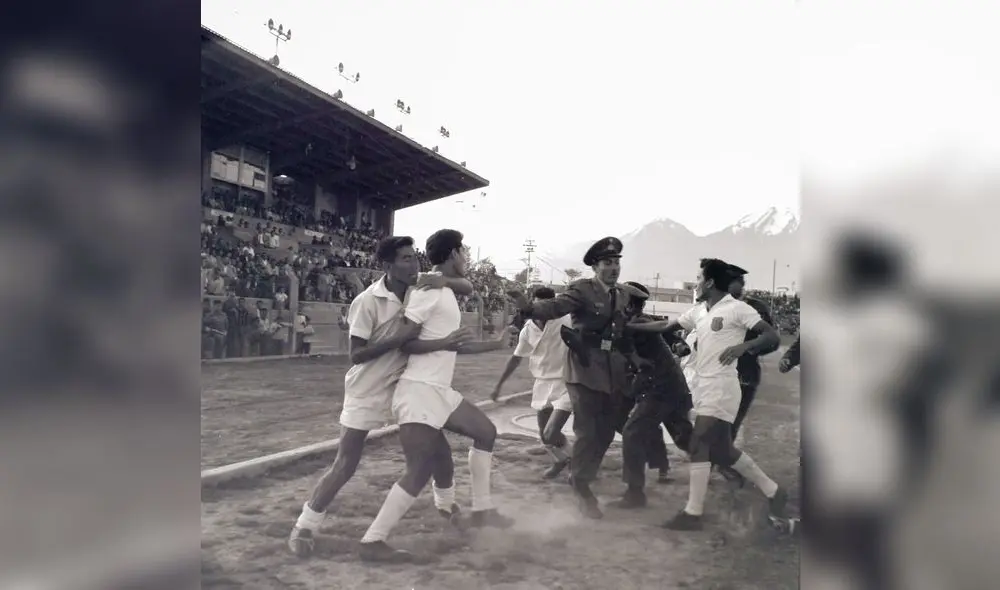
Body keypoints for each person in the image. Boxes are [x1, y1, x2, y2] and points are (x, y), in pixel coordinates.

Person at [288, 236, 476, 558]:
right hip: (368, 388)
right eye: (404, 259)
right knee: (346, 463)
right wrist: (400, 338)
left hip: (404, 387)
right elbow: (356, 355)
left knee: (439, 451)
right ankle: (305, 525)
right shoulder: (366, 301)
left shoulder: (422, 286)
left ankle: (448, 509)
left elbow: (466, 285)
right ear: (387, 266)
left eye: (414, 258)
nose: (413, 264)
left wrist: (445, 279)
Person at [358, 229, 510, 563]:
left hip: (437, 389)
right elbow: (406, 342)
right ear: (454, 253)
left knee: (486, 432)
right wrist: (444, 342)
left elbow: (456, 343)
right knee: (419, 469)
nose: (467, 257)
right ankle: (373, 540)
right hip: (419, 390)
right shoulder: (428, 290)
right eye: (465, 251)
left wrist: (495, 344)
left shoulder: (442, 288)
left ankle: (482, 509)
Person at [631, 258, 787, 530]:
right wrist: (629, 327)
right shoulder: (699, 311)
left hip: (723, 386)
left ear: (711, 282)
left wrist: (744, 347)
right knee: (723, 452)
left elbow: (771, 336)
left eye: (699, 278)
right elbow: (665, 327)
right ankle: (774, 491)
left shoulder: (738, 309)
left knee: (698, 444)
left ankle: (693, 513)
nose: (696, 283)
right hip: (704, 386)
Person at [505, 237, 649, 519]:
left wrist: (635, 360)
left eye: (617, 262)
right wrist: (528, 307)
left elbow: (620, 333)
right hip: (583, 368)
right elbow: (555, 307)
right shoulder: (582, 289)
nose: (614, 268)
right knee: (586, 430)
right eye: (607, 263)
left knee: (606, 431)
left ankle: (581, 475)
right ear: (595, 267)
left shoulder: (621, 294)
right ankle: (582, 488)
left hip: (612, 371)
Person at [609, 282, 695, 508]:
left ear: (627, 303)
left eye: (619, 297)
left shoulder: (641, 321)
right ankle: (728, 463)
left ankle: (635, 493)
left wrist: (678, 344)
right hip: (651, 385)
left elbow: (663, 330)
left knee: (635, 432)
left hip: (661, 387)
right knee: (628, 424)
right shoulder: (624, 321)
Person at [491, 286, 573, 479]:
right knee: (544, 435)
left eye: (545, 306)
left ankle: (577, 464)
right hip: (542, 382)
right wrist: (499, 386)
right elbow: (516, 358)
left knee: (552, 431)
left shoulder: (567, 321)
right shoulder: (528, 328)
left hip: (566, 381)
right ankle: (561, 460)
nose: (539, 310)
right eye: (535, 304)